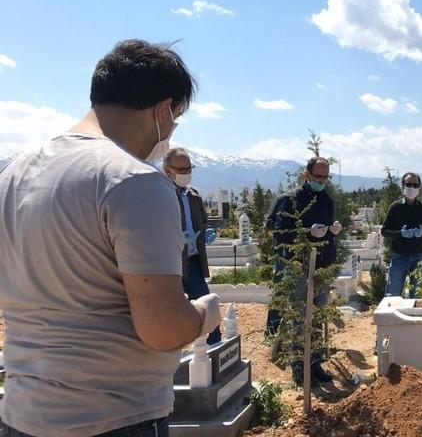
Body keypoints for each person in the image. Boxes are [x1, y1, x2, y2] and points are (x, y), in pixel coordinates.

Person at [0, 39, 221, 437]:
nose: (170, 131)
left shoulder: (14, 175)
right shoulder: (133, 180)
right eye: (175, 118)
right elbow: (163, 329)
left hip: (22, 414)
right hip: (114, 416)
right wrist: (206, 313)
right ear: (162, 110)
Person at [265, 157, 342, 386]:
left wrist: (332, 231)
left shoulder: (326, 199)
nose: (322, 181)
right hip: (298, 266)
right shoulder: (290, 199)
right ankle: (299, 367)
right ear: (307, 175)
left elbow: (326, 232)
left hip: (322, 266)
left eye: (326, 177)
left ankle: (315, 364)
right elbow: (280, 232)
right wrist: (308, 232)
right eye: (318, 176)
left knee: (317, 317)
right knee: (300, 319)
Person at [163, 147, 221, 345]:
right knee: (172, 312)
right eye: (181, 170)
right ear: (168, 170)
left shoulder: (193, 195)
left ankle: (215, 347)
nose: (186, 174)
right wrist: (177, 238)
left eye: (189, 169)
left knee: (206, 306)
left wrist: (205, 232)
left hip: (192, 262)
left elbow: (202, 221)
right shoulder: (161, 195)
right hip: (170, 264)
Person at [381, 172, 422, 298]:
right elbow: (384, 230)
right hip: (400, 255)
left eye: (415, 185)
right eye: (409, 184)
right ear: (403, 186)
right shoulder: (395, 208)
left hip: (420, 255)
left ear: (419, 188)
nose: (412, 188)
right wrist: (400, 234)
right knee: (393, 293)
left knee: (418, 295)